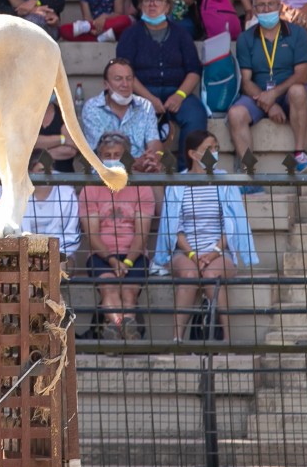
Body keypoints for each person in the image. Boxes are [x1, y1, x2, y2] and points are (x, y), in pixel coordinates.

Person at [151, 130, 258, 343]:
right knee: (190, 276)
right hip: (185, 250)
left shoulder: (225, 180)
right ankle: (177, 340)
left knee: (211, 276)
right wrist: (192, 254)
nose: (214, 153)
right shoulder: (178, 183)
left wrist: (213, 252)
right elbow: (175, 227)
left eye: (216, 148)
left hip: (220, 251)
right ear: (192, 153)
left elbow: (232, 224)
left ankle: (226, 339)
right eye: (208, 149)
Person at [116, 0, 206, 169]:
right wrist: (149, 99)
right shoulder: (130, 35)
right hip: (141, 92)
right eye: (147, 0)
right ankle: (140, 170)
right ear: (140, 5)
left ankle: (186, 171)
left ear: (167, 6)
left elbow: (194, 70)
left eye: (158, 0)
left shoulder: (181, 34)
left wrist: (179, 96)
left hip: (177, 91)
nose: (152, 4)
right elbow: (125, 71)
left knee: (196, 115)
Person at [227, 0, 307, 176]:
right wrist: (268, 104)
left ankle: (300, 154)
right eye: (261, 6)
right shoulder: (245, 38)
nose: (266, 10)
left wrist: (273, 96)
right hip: (257, 94)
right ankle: (248, 173)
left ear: (280, 7)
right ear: (254, 10)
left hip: (287, 91)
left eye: (270, 5)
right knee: (235, 114)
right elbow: (246, 81)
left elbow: (302, 75)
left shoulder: (298, 33)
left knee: (298, 91)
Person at [78, 132, 155, 341]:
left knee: (129, 292)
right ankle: (126, 330)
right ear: (99, 158)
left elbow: (142, 233)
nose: (112, 158)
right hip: (101, 255)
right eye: (107, 154)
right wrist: (112, 260)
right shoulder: (90, 190)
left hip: (135, 255)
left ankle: (117, 332)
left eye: (118, 154)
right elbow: (92, 234)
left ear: (127, 156)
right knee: (109, 289)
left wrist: (128, 261)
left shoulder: (142, 188)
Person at [80, 58, 163, 172]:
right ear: (106, 84)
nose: (125, 84)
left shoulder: (145, 106)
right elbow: (102, 152)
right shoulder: (92, 107)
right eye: (118, 79)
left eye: (129, 79)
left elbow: (154, 142)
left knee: (156, 175)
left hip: (141, 171)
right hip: (105, 171)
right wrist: (134, 162)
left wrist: (152, 158)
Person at [23, 156, 81, 270]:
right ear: (30, 172)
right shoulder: (18, 195)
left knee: (57, 268)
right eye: (41, 170)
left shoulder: (67, 194)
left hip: (61, 253)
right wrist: (29, 254)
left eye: (49, 169)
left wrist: (53, 255)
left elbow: (72, 234)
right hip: (25, 253)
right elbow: (14, 231)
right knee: (26, 270)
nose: (47, 174)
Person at [34, 100, 78, 172]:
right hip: (33, 178)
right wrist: (63, 139)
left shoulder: (65, 113)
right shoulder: (26, 115)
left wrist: (38, 154)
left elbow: (71, 150)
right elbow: (31, 142)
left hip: (64, 176)